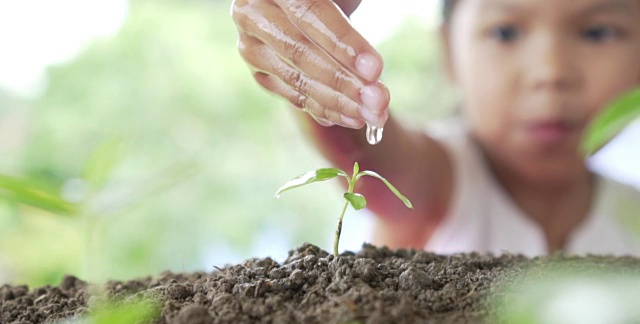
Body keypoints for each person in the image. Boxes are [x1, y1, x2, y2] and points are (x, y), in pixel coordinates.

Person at [231, 0, 640, 256]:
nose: (551, 72)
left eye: (597, 32)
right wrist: (321, 67)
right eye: (505, 32)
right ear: (449, 50)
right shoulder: (441, 180)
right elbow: (369, 156)